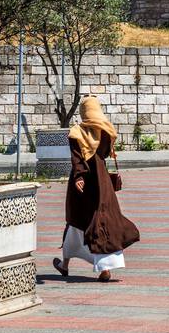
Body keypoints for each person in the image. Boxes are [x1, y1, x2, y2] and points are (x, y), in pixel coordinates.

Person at [53, 95, 140, 282]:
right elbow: (106, 153)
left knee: (80, 222)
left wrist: (78, 177)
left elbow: (77, 158)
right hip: (101, 182)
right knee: (103, 221)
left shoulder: (77, 132)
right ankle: (71, 265)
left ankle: (77, 266)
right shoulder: (106, 130)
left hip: (83, 184)